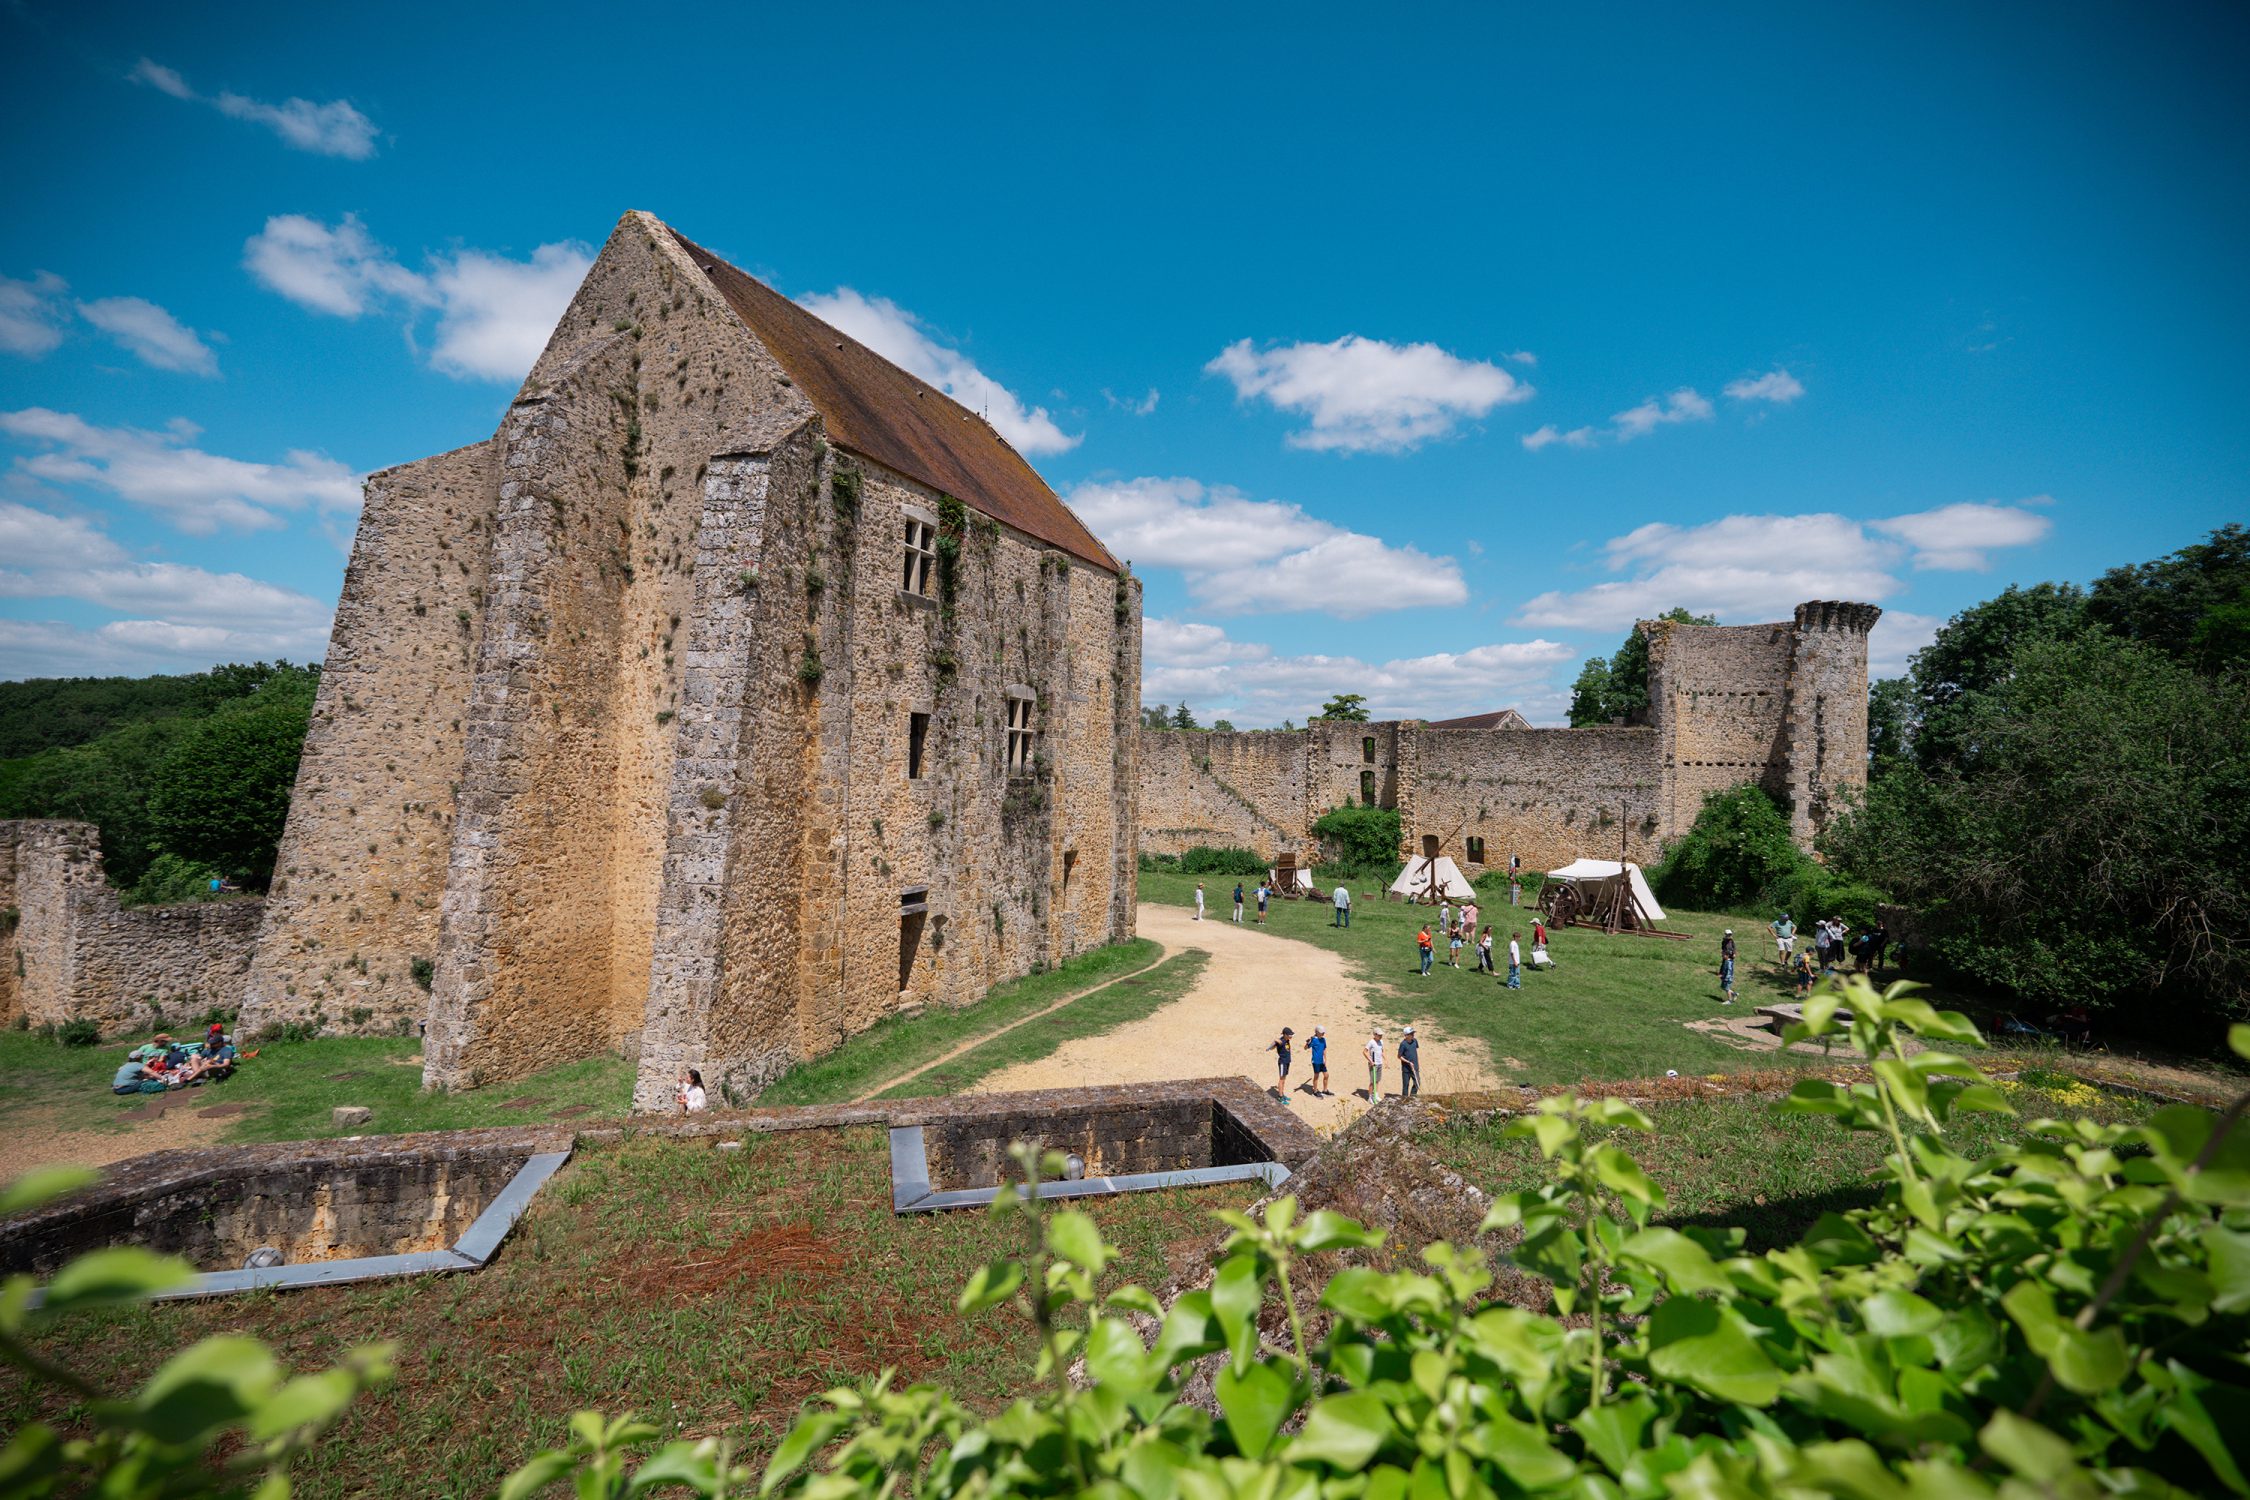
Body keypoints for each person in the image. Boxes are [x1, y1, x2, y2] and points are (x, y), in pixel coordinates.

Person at [1397, 1026, 1421, 1098]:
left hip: (1415, 1067)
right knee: (1406, 1085)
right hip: (1406, 1069)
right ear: (1406, 1035)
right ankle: (1404, 1100)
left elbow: (1414, 1050)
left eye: (1413, 1033)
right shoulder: (1403, 1044)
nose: (1413, 1035)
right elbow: (1399, 1056)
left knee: (1417, 1083)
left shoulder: (1415, 1041)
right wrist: (1408, 1062)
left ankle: (1412, 1097)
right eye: (1411, 1034)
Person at [1269, 1026, 1294, 1095]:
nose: (1291, 1036)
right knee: (1281, 1079)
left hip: (1287, 1062)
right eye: (1290, 1035)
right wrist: (1275, 1041)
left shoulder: (1287, 1040)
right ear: (1285, 1035)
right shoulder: (1281, 1041)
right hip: (1283, 1062)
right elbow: (1271, 1048)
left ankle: (1282, 1093)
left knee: (1284, 1079)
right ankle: (1280, 1096)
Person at [1308, 1026, 1330, 1094]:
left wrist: (1325, 1059)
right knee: (1316, 1076)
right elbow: (1305, 1048)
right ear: (1317, 1032)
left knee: (1326, 1075)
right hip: (1316, 1061)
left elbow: (1324, 1048)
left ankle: (1325, 1090)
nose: (1323, 1034)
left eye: (1323, 1032)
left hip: (1322, 1061)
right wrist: (1308, 1042)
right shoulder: (1313, 1040)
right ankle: (1315, 1091)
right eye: (1321, 1032)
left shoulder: (1323, 1040)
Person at [1364, 1029, 1385, 1098]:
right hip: (1373, 1064)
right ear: (1375, 1034)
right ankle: (1370, 1097)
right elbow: (1364, 1052)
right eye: (1379, 1035)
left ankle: (1375, 1095)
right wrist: (1370, 1061)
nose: (1380, 1036)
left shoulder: (1381, 1041)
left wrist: (1385, 1060)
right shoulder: (1371, 1042)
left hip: (1380, 1063)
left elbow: (1382, 1051)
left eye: (1381, 1035)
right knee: (1372, 1081)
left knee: (1377, 1080)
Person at [1720, 929, 1738, 1005]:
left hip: (1729, 963)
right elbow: (1723, 950)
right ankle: (1734, 994)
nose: (1729, 936)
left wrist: (1733, 954)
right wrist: (1724, 955)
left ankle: (1730, 1001)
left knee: (1726, 985)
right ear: (1725, 934)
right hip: (1726, 962)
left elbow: (1734, 949)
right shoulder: (1724, 941)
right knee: (1723, 986)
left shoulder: (1732, 941)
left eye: (1730, 934)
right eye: (1728, 934)